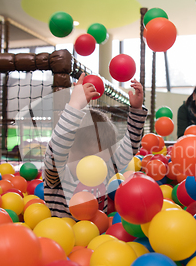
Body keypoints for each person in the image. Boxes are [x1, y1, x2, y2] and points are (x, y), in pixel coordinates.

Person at [43, 73, 147, 218]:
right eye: (86, 160)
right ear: (68, 152)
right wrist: (75, 105)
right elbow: (57, 149)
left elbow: (130, 147)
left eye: (101, 161)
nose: (95, 167)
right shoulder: (57, 177)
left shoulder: (104, 172)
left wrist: (136, 109)